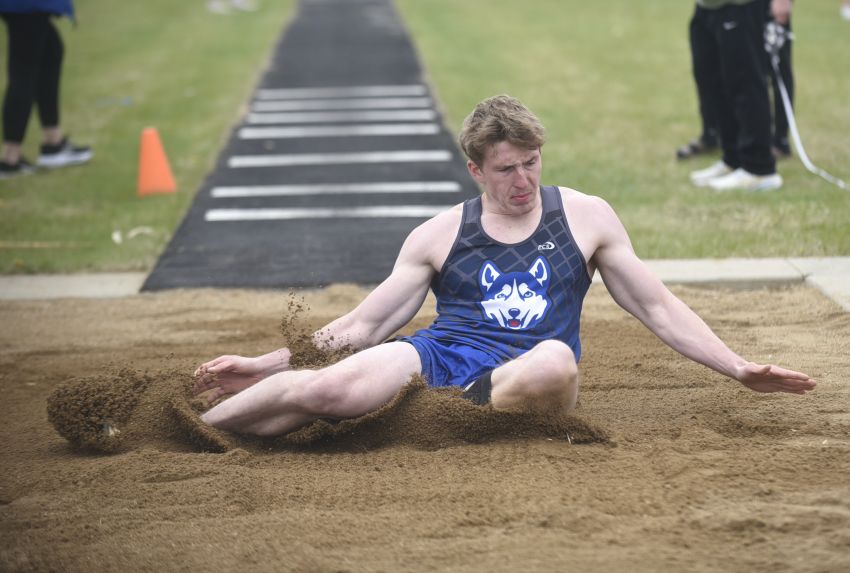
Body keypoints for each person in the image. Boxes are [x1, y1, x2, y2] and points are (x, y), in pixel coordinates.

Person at [193, 95, 815, 437]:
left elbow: (657, 305)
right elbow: (362, 326)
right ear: (475, 170)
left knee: (556, 360)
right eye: (505, 169)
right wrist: (265, 361)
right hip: (442, 356)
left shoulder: (587, 217)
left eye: (531, 163)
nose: (522, 181)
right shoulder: (438, 234)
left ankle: (434, 413)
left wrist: (736, 368)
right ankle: (193, 425)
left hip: (532, 373)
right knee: (327, 387)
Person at [687, 0, 785, 192]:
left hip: (743, 6)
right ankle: (733, 159)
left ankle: (759, 168)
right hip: (707, 7)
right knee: (714, 84)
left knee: (746, 84)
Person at [0, 0, 92, 179]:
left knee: (51, 51)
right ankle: (10, 159)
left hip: (26, 6)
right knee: (23, 72)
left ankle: (53, 144)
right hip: (26, 5)